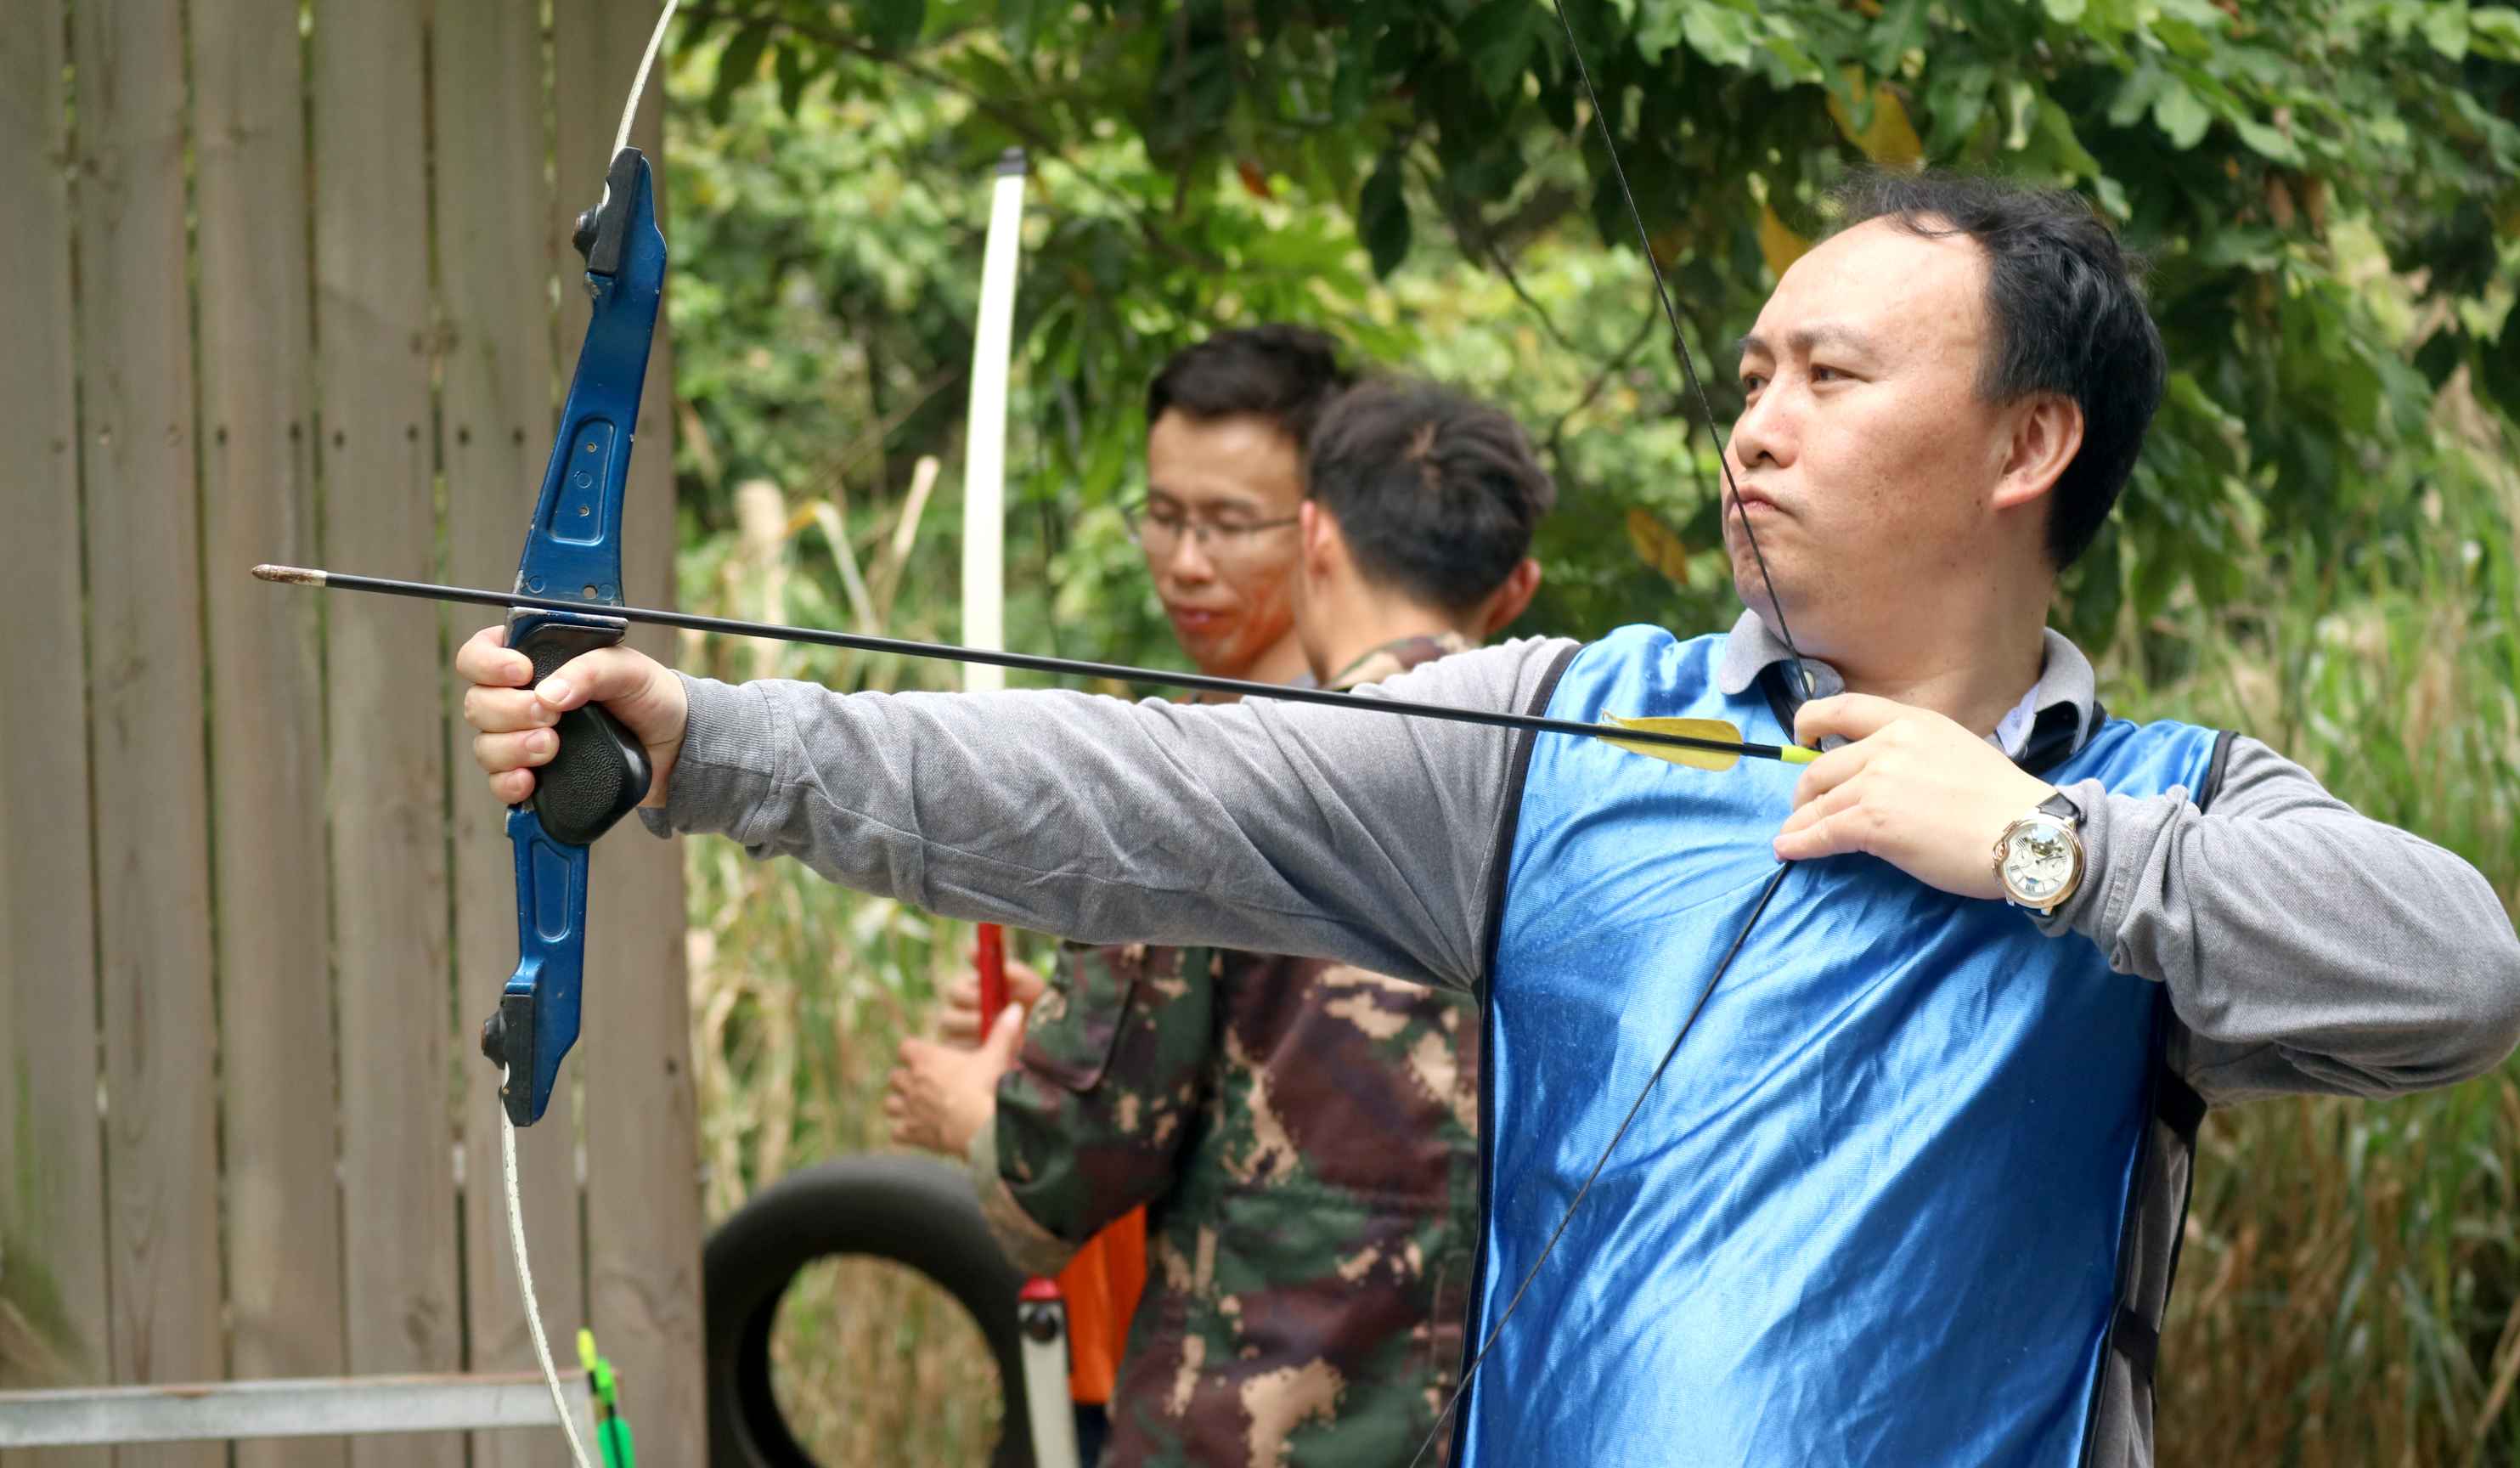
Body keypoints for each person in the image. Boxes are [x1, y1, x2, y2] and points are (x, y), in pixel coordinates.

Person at [457, 172, 2520, 1467]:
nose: (1751, 425)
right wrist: (702, 738)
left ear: (2026, 442)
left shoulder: (2158, 813)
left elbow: (2455, 978)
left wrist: (2034, 847)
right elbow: (1133, 791)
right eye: (1747, 375)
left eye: (1825, 377)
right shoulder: (1559, 731)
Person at [882, 370, 1553, 1466]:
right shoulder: (1580, 785)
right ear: (1516, 588)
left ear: (1314, 538)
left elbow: (1067, 1166)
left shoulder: (1236, 768)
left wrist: (970, 1112)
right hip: (1525, 1427)